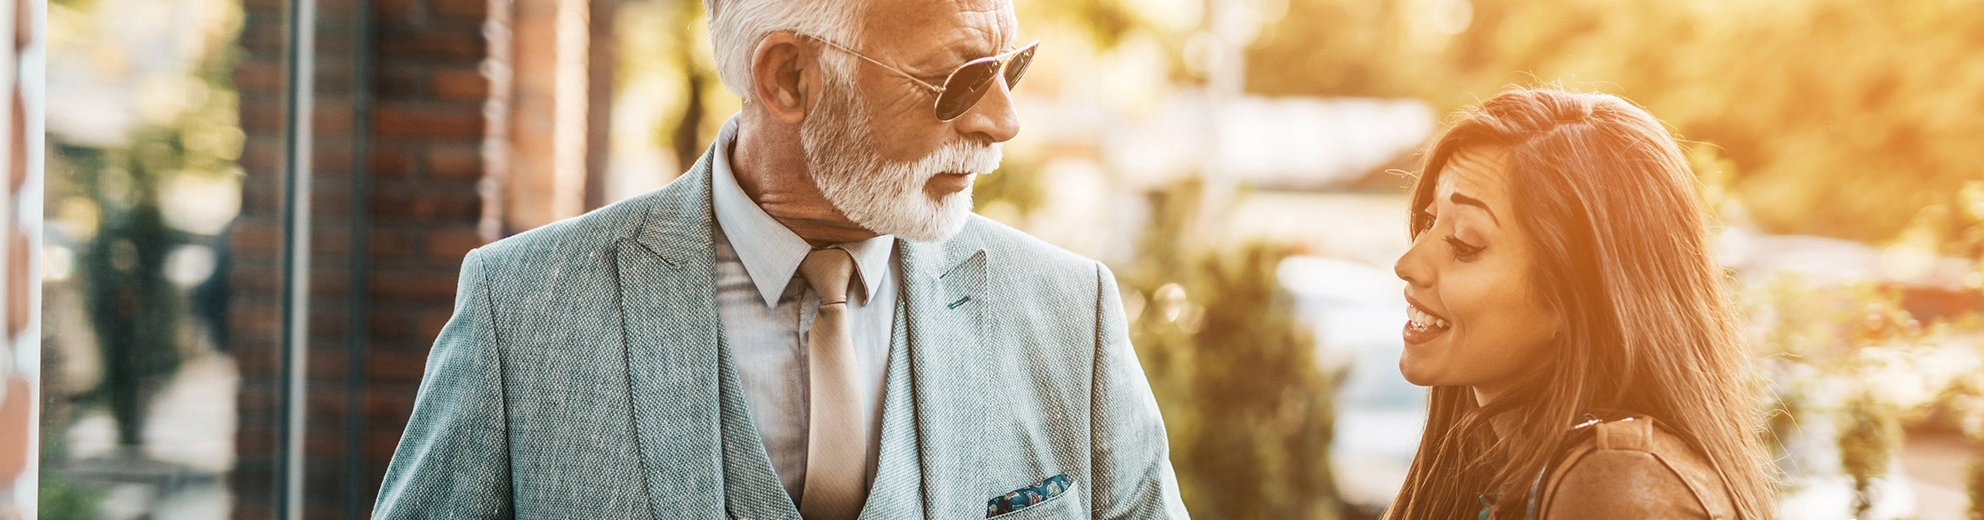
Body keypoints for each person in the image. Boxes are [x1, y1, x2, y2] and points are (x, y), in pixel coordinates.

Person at [371, 0, 1186, 517]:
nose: (1004, 122)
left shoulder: (1069, 311)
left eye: (1011, 67)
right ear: (789, 78)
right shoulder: (524, 312)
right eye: (960, 80)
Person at [1385, 88, 1777, 520]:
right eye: (1426, 221)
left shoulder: (1617, 490)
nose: (1408, 264)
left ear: (1574, 299)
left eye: (1464, 243)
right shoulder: (1503, 476)